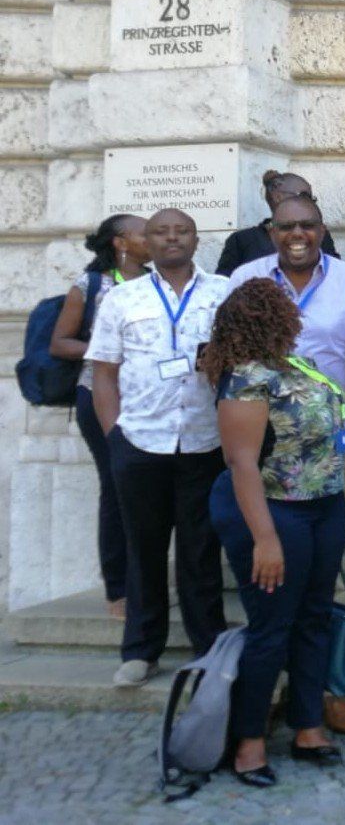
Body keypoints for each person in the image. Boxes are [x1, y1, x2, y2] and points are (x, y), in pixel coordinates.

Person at [228, 194, 345, 735]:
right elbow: (229, 371)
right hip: (267, 478)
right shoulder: (247, 281)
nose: (298, 234)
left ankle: (321, 697)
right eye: (287, 225)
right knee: (275, 601)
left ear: (322, 229)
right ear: (271, 230)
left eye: (309, 225)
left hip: (329, 467)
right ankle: (266, 708)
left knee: (324, 593)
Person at [201, 278, 345, 787]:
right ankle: (248, 744)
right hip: (272, 512)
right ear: (267, 318)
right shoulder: (245, 378)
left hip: (322, 507)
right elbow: (241, 463)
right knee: (271, 628)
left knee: (315, 617)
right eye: (284, 308)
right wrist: (264, 539)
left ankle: (307, 726)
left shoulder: (297, 365)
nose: (295, 313)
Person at [86, 209, 230, 688]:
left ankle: (207, 647)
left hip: (205, 441)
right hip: (141, 441)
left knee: (200, 552)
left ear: (196, 239)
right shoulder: (121, 299)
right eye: (162, 232)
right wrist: (115, 437)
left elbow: (243, 361)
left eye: (182, 230)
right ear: (146, 241)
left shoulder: (222, 292)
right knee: (143, 550)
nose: (172, 238)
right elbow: (103, 372)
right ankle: (141, 652)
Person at [49, 213, 149, 619]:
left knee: (148, 492)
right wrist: (107, 350)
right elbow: (60, 343)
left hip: (148, 399)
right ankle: (119, 591)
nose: (154, 238)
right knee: (116, 486)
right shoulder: (90, 286)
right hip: (100, 395)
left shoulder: (157, 282)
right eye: (145, 233)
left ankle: (148, 582)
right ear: (121, 242)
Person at [216, 170, 338, 276]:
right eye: (304, 195)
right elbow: (224, 288)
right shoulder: (242, 240)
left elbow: (336, 276)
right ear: (277, 197)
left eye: (311, 197)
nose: (309, 202)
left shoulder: (319, 234)